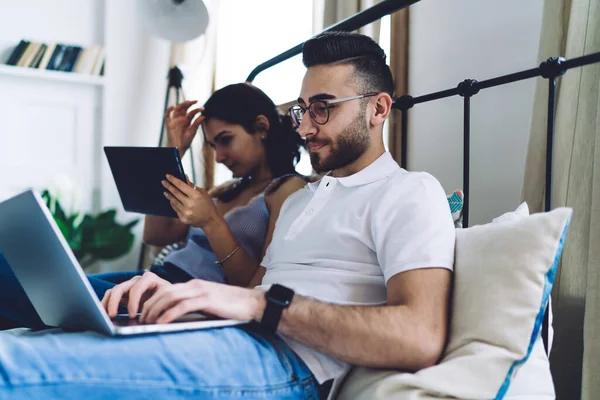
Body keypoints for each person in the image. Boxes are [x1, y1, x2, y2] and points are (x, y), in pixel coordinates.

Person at [0, 32, 455, 400]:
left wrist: (260, 303)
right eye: (301, 109)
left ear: (378, 109)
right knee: (32, 342)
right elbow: (248, 287)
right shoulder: (301, 199)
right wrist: (191, 297)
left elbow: (419, 336)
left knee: (17, 368)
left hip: (288, 360)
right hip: (227, 331)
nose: (305, 126)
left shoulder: (410, 192)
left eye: (323, 108)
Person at [0, 82, 308, 330]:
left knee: (30, 295)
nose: (219, 157)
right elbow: (157, 234)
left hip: (181, 293)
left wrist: (212, 221)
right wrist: (173, 150)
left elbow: (254, 286)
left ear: (261, 127)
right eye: (212, 145)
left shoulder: (288, 189)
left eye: (225, 140)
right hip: (151, 277)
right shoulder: (227, 189)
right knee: (20, 277)